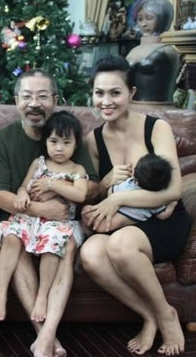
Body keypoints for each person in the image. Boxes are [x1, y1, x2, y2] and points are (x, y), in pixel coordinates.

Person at [80, 54, 191, 356]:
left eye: (115, 92)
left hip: (163, 219)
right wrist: (105, 185)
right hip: (122, 218)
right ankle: (148, 315)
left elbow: (172, 190)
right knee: (90, 254)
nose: (106, 101)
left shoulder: (156, 128)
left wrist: (118, 197)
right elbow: (92, 196)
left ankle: (167, 315)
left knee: (120, 245)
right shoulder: (93, 140)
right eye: (99, 93)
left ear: (131, 93)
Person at [0, 69, 99, 357]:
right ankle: (44, 337)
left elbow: (92, 186)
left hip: (61, 224)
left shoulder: (67, 134)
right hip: (22, 218)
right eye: (27, 96)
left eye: (42, 96)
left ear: (55, 100)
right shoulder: (2, 139)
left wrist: (57, 187)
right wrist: (41, 207)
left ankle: (47, 335)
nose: (34, 103)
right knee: (17, 244)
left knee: (66, 246)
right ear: (16, 101)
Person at [0, 111, 88, 324]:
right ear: (46, 142)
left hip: (57, 222)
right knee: (11, 236)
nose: (59, 148)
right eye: (54, 141)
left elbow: (80, 194)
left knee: (52, 245)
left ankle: (42, 296)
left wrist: (51, 184)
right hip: (29, 219)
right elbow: (23, 186)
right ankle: (0, 293)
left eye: (66, 142)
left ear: (76, 144)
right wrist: (22, 195)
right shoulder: (39, 163)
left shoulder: (77, 169)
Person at [84, 152, 176, 233]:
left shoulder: (129, 183)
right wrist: (172, 204)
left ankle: (92, 228)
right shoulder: (156, 201)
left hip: (121, 215)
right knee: (111, 221)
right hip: (132, 220)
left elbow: (111, 192)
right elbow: (163, 215)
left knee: (89, 212)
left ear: (135, 177)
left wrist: (112, 190)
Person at [126, 0, 179, 102]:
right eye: (140, 19)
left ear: (162, 19)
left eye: (149, 18)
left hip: (158, 108)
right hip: (131, 105)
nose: (143, 24)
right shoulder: (134, 50)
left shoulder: (168, 51)